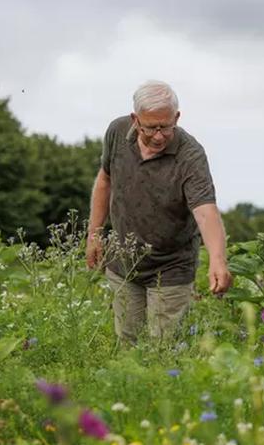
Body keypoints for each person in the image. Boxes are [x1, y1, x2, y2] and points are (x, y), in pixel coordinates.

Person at [86, 80, 231, 343]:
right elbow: (105, 179)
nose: (159, 135)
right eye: (151, 127)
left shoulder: (190, 155)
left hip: (171, 266)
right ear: (135, 119)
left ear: (177, 117)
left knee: (162, 347)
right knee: (128, 343)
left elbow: (205, 210)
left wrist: (217, 259)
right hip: (124, 262)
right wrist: (94, 233)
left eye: (166, 126)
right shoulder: (117, 132)